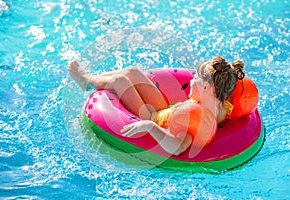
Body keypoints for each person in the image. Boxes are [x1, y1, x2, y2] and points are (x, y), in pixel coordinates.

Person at [68, 56, 245, 155]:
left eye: (195, 79)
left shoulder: (198, 119)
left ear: (206, 87)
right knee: (133, 72)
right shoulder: (222, 106)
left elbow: (178, 147)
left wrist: (150, 126)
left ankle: (87, 82)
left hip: (153, 117)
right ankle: (96, 79)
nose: (191, 81)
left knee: (120, 81)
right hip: (166, 110)